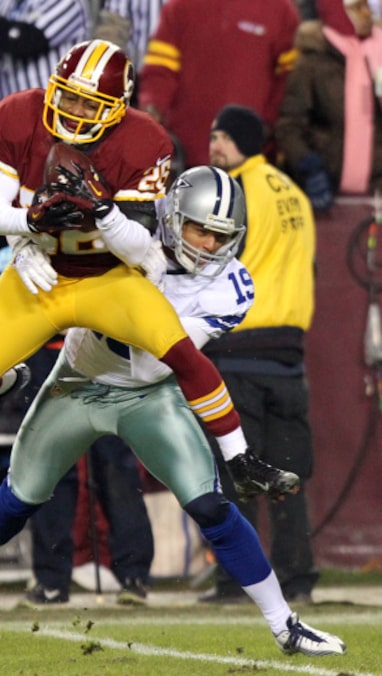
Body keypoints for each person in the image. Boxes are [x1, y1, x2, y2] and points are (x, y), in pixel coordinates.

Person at [0, 166, 346, 658]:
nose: (211, 245)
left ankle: (286, 624)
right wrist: (29, 246)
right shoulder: (128, 231)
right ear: (172, 217)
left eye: (222, 236)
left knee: (211, 505)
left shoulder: (230, 287)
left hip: (151, 394)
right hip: (78, 382)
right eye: (201, 229)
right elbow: (49, 230)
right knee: (22, 495)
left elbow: (161, 353)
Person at [0, 38, 293, 511]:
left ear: (117, 108)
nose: (74, 109)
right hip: (38, 277)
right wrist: (28, 229)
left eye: (90, 101)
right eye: (68, 95)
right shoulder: (21, 115)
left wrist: (102, 210)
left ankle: (241, 459)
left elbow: (141, 247)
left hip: (109, 277)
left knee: (180, 354)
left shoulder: (144, 142)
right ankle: (7, 380)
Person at [202, 104, 320, 605]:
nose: (214, 146)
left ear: (244, 142)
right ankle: (298, 580)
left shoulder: (234, 192)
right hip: (289, 354)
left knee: (239, 476)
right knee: (288, 476)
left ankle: (238, 581)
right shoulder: (294, 192)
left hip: (242, 346)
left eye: (224, 137)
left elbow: (210, 259)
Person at [138, 0, 300, 168]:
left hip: (250, 160)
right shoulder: (179, 6)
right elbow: (160, 69)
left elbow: (289, 80)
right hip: (185, 153)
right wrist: (152, 110)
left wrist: (265, 125)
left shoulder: (281, 10)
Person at [275, 0, 382, 212]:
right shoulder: (313, 63)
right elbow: (289, 125)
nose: (367, 14)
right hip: (327, 189)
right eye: (358, 8)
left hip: (376, 189)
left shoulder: (378, 55)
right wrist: (308, 165)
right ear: (338, 13)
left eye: (367, 7)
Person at [24, 433, 154, 607]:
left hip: (106, 406)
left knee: (114, 464)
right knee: (52, 466)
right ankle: (50, 579)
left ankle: (134, 576)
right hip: (56, 406)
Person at [0, 0, 90, 101]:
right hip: (9, 111)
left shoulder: (69, 2)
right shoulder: (3, 2)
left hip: (51, 109)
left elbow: (26, 42)